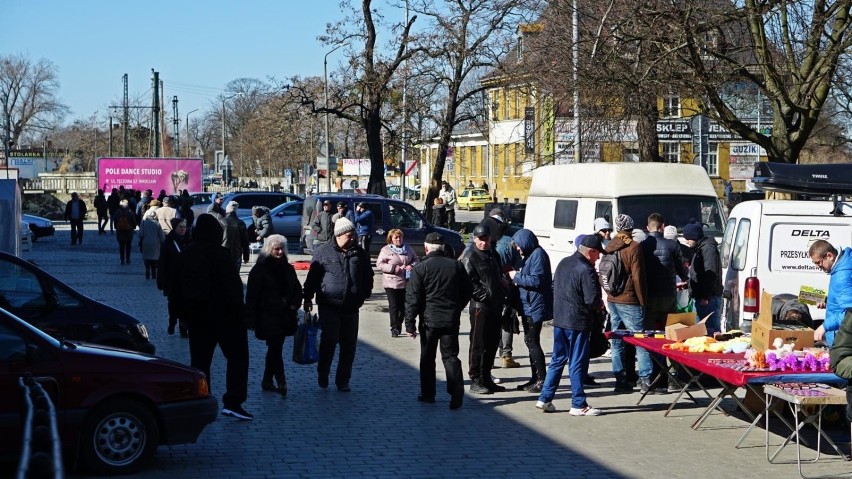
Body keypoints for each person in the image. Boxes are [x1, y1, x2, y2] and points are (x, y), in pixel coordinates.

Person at [177, 214, 251, 420]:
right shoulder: (221, 255)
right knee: (237, 358)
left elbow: (175, 288)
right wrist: (242, 314)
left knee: (200, 361)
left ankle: (201, 399)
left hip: (197, 317)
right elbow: (233, 289)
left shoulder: (186, 254)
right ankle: (233, 402)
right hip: (226, 317)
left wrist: (180, 314)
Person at [535, 235, 605, 416]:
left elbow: (554, 287)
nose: (598, 259)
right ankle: (578, 403)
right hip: (577, 322)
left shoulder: (563, 263)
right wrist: (599, 305)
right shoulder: (586, 270)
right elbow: (591, 300)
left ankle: (545, 398)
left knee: (557, 360)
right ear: (590, 252)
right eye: (597, 255)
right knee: (577, 362)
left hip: (560, 321)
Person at [303, 217, 374, 391]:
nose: (353, 238)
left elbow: (368, 275)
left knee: (349, 346)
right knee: (329, 340)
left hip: (351, 307)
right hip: (329, 305)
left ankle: (343, 380)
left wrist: (364, 294)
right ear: (339, 235)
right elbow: (312, 277)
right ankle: (323, 372)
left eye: (354, 235)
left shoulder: (359, 253)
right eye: (349, 235)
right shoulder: (323, 252)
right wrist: (307, 298)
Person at [404, 232, 472, 409]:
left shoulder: (420, 268)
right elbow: (467, 290)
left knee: (427, 358)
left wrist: (409, 323)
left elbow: (413, 297)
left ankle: (428, 394)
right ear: (443, 248)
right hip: (450, 319)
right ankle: (456, 390)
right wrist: (456, 307)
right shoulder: (456, 266)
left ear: (426, 248)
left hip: (429, 321)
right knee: (450, 356)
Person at [245, 234, 302, 397]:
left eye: (282, 249)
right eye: (276, 249)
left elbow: (297, 289)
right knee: (275, 348)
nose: (279, 252)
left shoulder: (288, 268)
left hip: (285, 315)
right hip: (267, 316)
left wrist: (294, 304)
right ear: (269, 249)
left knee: (275, 348)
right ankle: (281, 381)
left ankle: (267, 381)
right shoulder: (260, 269)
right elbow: (252, 295)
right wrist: (251, 318)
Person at [605, 214, 651, 394]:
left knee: (616, 341)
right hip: (630, 300)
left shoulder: (609, 246)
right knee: (640, 340)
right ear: (631, 227)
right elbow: (638, 276)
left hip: (613, 299)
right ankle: (645, 379)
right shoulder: (633, 247)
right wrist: (642, 300)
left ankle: (620, 379)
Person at [460, 223, 506, 394]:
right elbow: (468, 282)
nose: (484, 243)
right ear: (474, 238)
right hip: (480, 307)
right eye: (480, 239)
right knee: (478, 343)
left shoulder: (493, 254)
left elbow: (498, 275)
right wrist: (485, 295)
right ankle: (476, 379)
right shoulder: (471, 256)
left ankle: (486, 377)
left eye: (486, 239)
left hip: (496, 305)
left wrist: (503, 287)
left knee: (492, 343)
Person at [509, 228, 552, 393]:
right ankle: (536, 378)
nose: (517, 249)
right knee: (530, 341)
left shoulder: (538, 255)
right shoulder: (530, 255)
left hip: (535, 305)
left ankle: (541, 379)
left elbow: (536, 280)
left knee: (532, 341)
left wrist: (516, 276)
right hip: (529, 305)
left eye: (518, 245)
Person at [641, 213, 688, 330]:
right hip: (668, 293)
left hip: (649, 294)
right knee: (669, 331)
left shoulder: (641, 246)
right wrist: (685, 279)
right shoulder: (672, 245)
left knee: (648, 332)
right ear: (663, 226)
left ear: (647, 227)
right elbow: (681, 269)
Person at [683, 220, 723, 335]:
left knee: (710, 331)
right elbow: (699, 273)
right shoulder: (701, 248)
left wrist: (705, 297)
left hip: (708, 299)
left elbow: (711, 274)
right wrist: (688, 284)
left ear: (694, 237)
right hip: (704, 297)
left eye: (688, 238)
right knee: (704, 331)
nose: (686, 241)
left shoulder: (707, 248)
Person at [377, 229, 418, 337]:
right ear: (391, 239)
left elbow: (416, 259)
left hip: (405, 282)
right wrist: (394, 268)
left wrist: (411, 266)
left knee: (403, 306)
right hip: (391, 282)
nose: (399, 239)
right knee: (394, 306)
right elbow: (380, 264)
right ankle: (394, 328)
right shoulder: (386, 250)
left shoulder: (408, 248)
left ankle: (399, 322)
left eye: (400, 237)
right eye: (396, 238)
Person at [810, 240, 852, 346]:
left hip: (842, 338)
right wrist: (828, 301)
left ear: (829, 256)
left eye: (818, 262)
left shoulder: (841, 277)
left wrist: (824, 326)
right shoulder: (843, 264)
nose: (818, 267)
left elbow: (849, 313)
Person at [158, 218, 189, 336]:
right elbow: (162, 264)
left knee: (185, 305)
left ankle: (183, 328)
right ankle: (172, 322)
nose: (183, 229)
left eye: (184, 227)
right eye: (180, 227)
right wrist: (161, 281)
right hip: (172, 281)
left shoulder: (188, 241)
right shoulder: (168, 243)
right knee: (173, 305)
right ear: (175, 228)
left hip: (186, 281)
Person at [222, 200, 250, 271]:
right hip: (236, 253)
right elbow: (245, 242)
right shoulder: (241, 223)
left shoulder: (221, 222)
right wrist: (246, 257)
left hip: (223, 252)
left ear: (227, 210)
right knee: (235, 276)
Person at [139, 206, 165, 280]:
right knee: (155, 258)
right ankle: (154, 273)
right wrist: (163, 242)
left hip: (146, 242)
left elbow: (140, 234)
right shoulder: (157, 223)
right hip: (156, 243)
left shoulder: (144, 223)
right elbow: (162, 235)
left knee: (147, 258)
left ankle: (147, 271)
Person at [112, 199, 137, 265]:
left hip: (120, 231)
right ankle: (128, 259)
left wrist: (116, 227)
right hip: (128, 231)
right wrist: (133, 227)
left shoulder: (117, 212)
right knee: (128, 246)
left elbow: (115, 221)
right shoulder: (130, 211)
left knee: (121, 246)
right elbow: (134, 221)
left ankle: (122, 259)